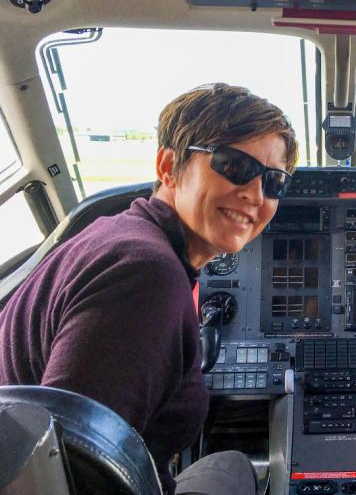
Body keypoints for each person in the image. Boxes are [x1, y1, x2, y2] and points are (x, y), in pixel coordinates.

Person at [0, 83, 297, 495]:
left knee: (231, 464)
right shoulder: (143, 277)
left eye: (274, 181)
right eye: (235, 166)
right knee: (237, 469)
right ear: (168, 166)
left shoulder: (116, 232)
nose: (255, 194)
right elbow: (73, 471)